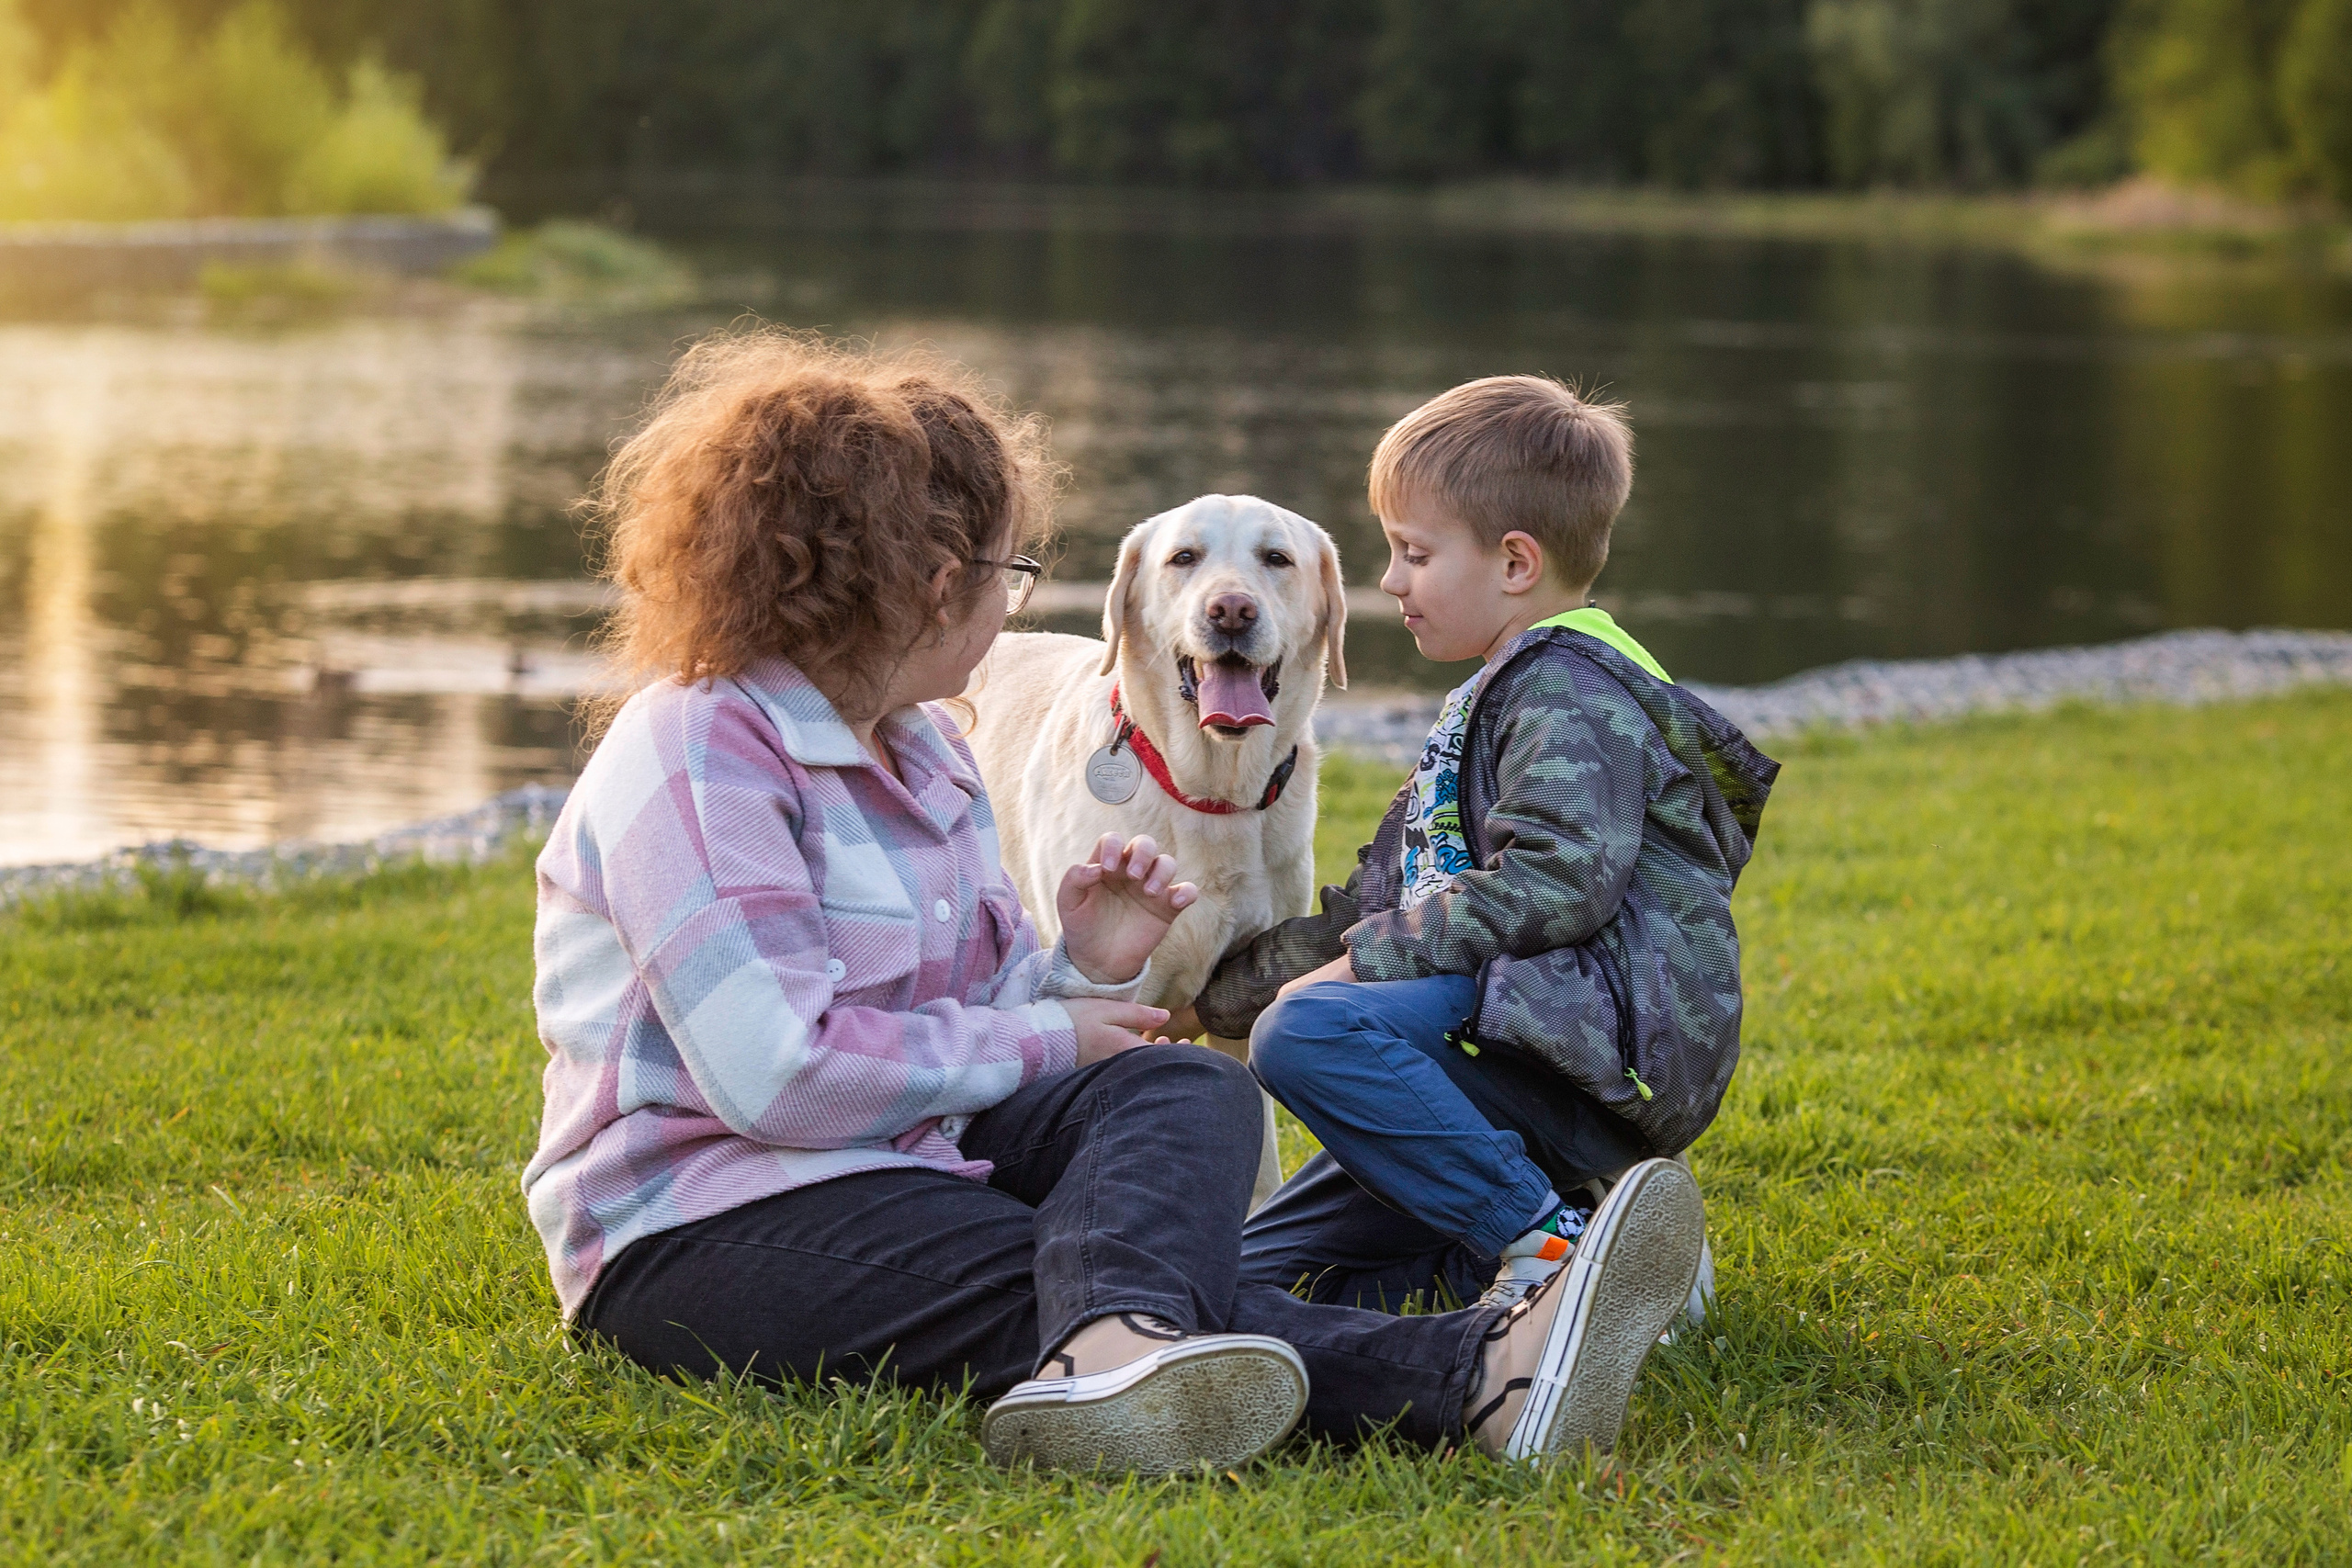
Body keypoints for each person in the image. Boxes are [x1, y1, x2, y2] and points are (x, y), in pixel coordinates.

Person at [521, 333, 1705, 1476]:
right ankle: (1481, 1375)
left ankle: (1116, 1347)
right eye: (1010, 570)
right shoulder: (699, 750)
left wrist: (1077, 970)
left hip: (915, 1159)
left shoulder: (927, 752)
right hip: (703, 1223)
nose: (1017, 600)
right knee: (1046, 1270)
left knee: (1185, 1086)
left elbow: (971, 1026)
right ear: (930, 585)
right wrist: (1046, 1030)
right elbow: (776, 1075)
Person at [1175, 375, 1780, 1320]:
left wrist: (1350, 975)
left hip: (1580, 1064)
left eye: (1413, 554)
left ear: (1512, 564)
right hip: (1498, 1044)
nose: (1388, 582)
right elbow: (1380, 904)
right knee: (1234, 1278)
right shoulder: (1492, 695)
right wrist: (1205, 1000)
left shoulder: (1571, 691)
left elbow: (1559, 885)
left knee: (1306, 1033)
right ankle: (1553, 1256)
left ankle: (1568, 1257)